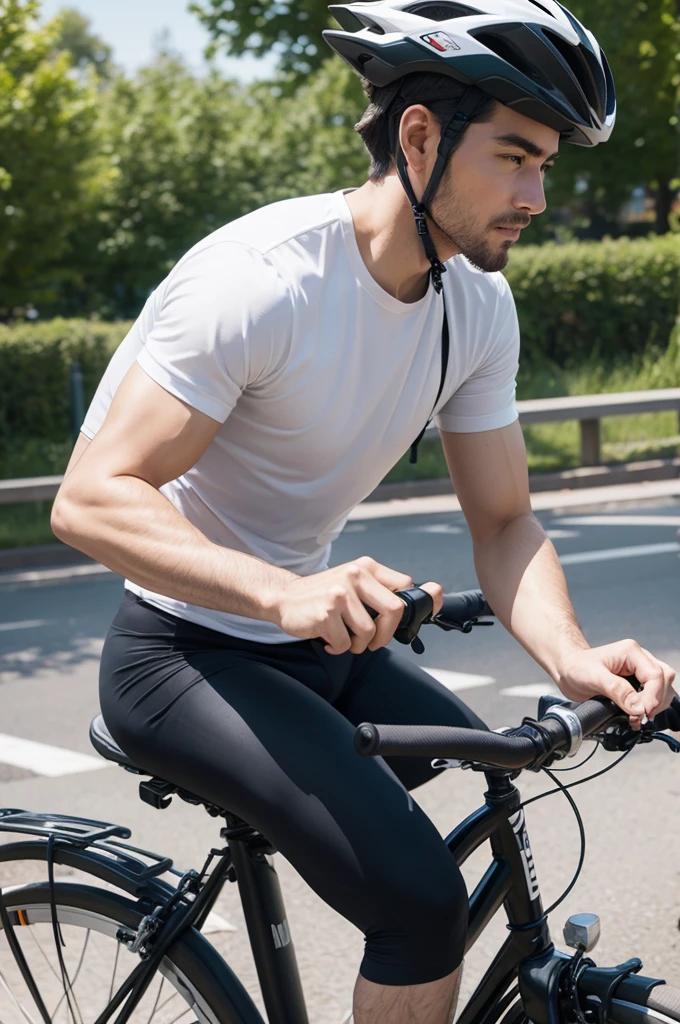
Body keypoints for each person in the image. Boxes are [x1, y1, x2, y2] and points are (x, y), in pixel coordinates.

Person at [52, 2, 676, 1022]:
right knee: (420, 905)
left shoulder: (473, 301)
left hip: (316, 642)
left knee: (499, 778)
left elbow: (505, 519)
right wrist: (285, 591)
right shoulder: (261, 281)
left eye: (546, 165)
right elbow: (89, 499)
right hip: (181, 651)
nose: (535, 195)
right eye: (513, 157)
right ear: (418, 137)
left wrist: (570, 658)